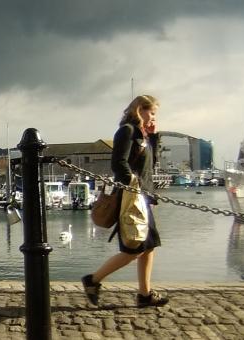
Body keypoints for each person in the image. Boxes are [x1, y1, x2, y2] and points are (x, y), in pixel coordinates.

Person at [82, 94, 169, 308]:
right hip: (130, 199)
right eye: (152, 112)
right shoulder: (127, 131)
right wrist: (132, 186)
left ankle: (144, 294)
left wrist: (154, 138)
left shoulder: (142, 134)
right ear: (140, 109)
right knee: (135, 249)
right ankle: (93, 280)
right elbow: (118, 163)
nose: (154, 117)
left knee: (148, 247)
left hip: (144, 198)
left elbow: (151, 166)